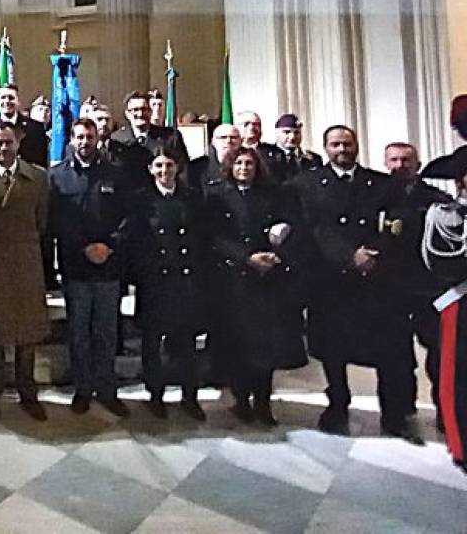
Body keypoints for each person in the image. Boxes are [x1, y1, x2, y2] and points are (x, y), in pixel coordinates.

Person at [292, 126, 417, 440]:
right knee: (333, 349)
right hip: (332, 280)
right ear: (325, 147)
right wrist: (349, 256)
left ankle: (393, 413)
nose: (342, 150)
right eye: (335, 144)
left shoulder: (381, 184)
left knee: (387, 349)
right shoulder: (307, 184)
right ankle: (337, 404)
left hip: (376, 279)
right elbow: (313, 228)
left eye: (347, 144)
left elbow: (397, 224)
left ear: (357, 146)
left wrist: (374, 252)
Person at [206, 146, 306, 425]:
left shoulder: (272, 194)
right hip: (234, 278)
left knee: (266, 346)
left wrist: (275, 255)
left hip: (267, 279)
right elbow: (214, 236)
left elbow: (288, 227)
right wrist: (245, 258)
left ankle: (263, 401)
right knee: (239, 344)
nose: (244, 168)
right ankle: (241, 399)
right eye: (238, 163)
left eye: (249, 163)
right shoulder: (217, 196)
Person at [49, 119, 129, 418]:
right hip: (76, 266)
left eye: (90, 137)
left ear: (98, 139)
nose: (85, 142)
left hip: (109, 265)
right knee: (79, 331)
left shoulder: (115, 174)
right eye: (80, 137)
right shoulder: (57, 176)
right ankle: (83, 389)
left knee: (106, 331)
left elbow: (127, 217)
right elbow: (57, 220)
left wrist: (108, 246)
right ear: (71, 139)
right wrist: (84, 247)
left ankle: (107, 389)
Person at [0, 122, 50, 420]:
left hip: (26, 260)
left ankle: (27, 391)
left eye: (9, 142)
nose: (3, 148)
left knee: (27, 332)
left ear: (18, 144)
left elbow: (42, 221)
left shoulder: (38, 177)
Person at [126, 153, 207, 420]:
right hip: (154, 282)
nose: (164, 171)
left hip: (185, 281)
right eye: (159, 166)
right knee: (152, 344)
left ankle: (190, 396)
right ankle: (155, 395)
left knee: (186, 343)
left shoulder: (192, 197)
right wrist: (141, 273)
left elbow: (200, 237)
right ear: (150, 169)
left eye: (169, 165)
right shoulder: (140, 200)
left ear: (178, 168)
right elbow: (133, 239)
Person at [382, 142, 451, 427]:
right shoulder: (374, 197)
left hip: (428, 288)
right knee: (393, 354)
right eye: (394, 160)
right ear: (386, 164)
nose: (400, 166)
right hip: (389, 288)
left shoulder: (437, 200)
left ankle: (444, 411)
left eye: (406, 160)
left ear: (418, 165)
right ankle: (398, 412)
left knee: (439, 353)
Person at [422, 154, 467, 476]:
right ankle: (462, 445)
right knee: (459, 378)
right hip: (462, 303)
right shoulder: (444, 216)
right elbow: (439, 263)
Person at [110, 91, 186, 179]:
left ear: (150, 111)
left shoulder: (171, 137)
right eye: (135, 110)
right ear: (127, 114)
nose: (140, 114)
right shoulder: (116, 139)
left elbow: (183, 170)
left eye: (144, 109)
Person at [0, 84, 49, 166]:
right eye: (3, 97)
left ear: (18, 101)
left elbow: (41, 161)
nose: (7, 101)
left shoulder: (35, 127)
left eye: (11, 98)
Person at [188, 123, 242, 193]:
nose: (228, 141)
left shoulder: (250, 164)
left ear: (240, 141)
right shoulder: (197, 168)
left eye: (233, 137)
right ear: (213, 141)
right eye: (223, 137)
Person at [269, 113, 322, 182]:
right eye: (287, 132)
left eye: (297, 132)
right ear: (277, 133)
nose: (292, 137)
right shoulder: (266, 158)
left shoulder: (313, 159)